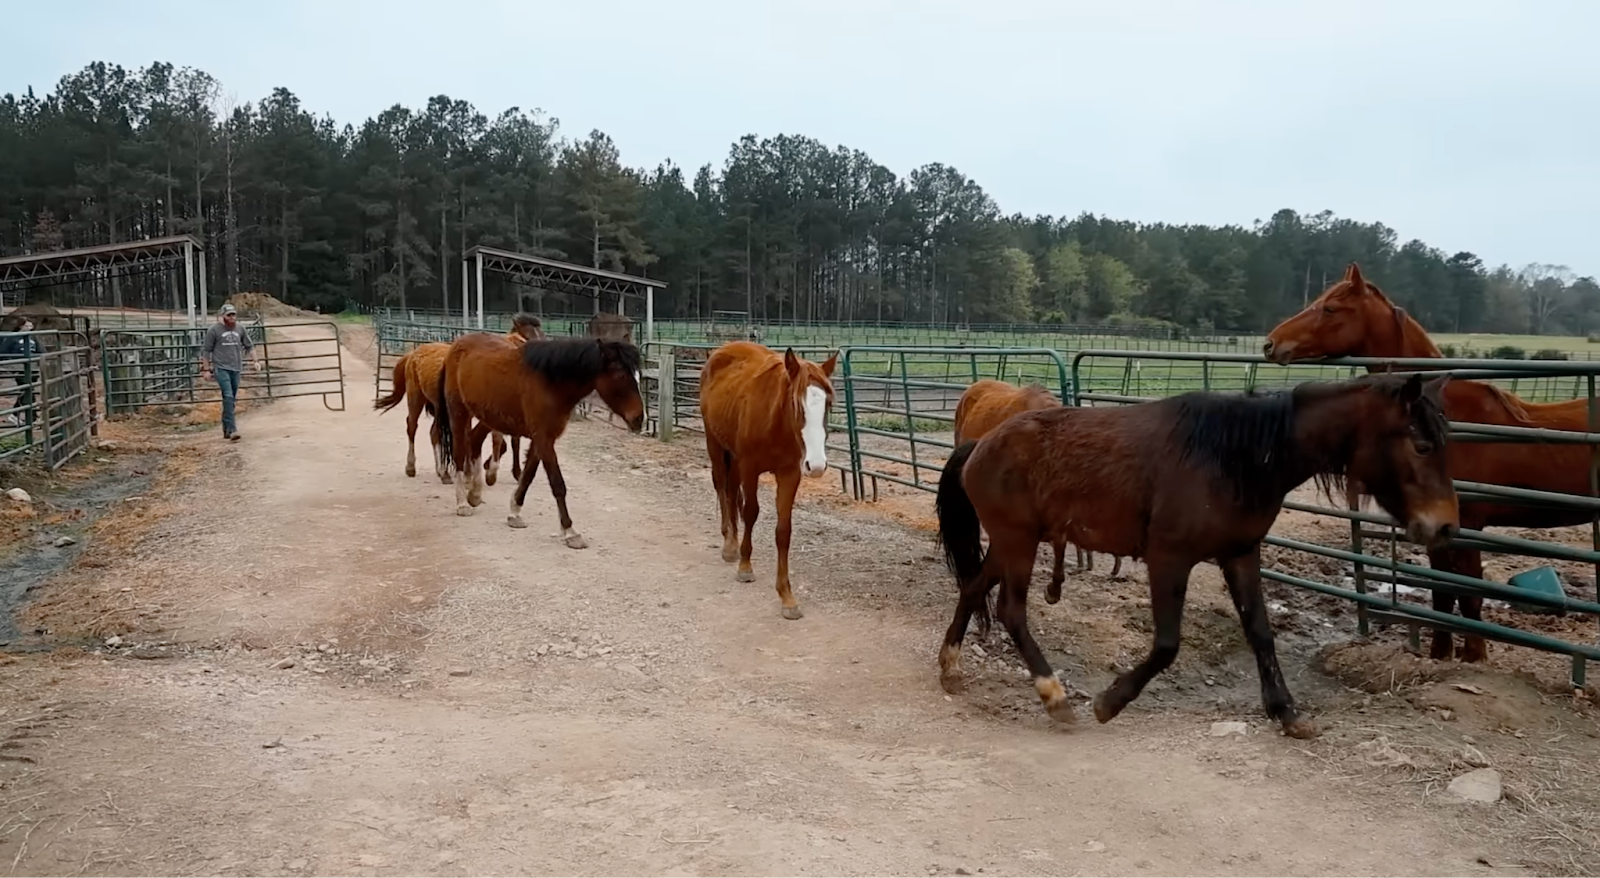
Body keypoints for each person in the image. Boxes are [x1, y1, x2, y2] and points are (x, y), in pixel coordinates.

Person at [199, 304, 260, 441]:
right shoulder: (214, 330)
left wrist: (255, 360)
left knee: (231, 398)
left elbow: (249, 346)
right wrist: (206, 369)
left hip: (236, 367)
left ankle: (226, 428)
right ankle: (233, 430)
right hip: (221, 368)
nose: (232, 318)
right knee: (228, 396)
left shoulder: (240, 329)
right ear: (223, 316)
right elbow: (206, 351)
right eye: (229, 315)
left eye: (234, 315)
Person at [0, 318, 42, 428]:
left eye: (31, 326)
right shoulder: (12, 337)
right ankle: (32, 417)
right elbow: (3, 351)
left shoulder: (33, 337)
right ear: (20, 326)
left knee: (29, 390)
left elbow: (41, 351)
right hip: (19, 367)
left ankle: (20, 415)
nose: (29, 328)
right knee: (27, 389)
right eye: (27, 326)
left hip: (32, 367)